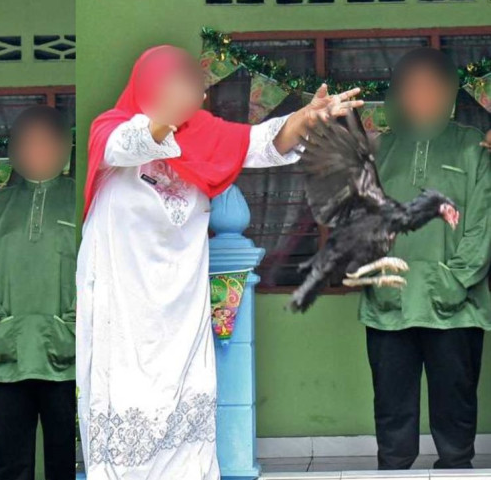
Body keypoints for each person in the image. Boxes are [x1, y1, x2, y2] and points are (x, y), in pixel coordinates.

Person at [77, 45, 362, 480]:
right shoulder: (111, 129)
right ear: (145, 86)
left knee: (189, 398)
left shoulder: (205, 134)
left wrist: (305, 118)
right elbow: (127, 146)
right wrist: (165, 118)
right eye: (169, 84)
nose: (182, 93)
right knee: (128, 401)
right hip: (123, 306)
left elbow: (261, 143)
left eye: (189, 86)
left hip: (181, 303)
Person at [359, 48, 491, 470]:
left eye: (431, 87)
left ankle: (456, 468)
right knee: (391, 403)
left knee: (455, 401)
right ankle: (393, 469)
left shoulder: (473, 146)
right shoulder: (381, 147)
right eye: (412, 88)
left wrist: (456, 280)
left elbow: (482, 222)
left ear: (449, 92)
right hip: (389, 301)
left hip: (457, 305)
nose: (421, 96)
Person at [0, 105, 76, 480]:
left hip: (70, 359)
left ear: (65, 147)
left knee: (68, 463)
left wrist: (73, 331)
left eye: (45, 143)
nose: (36, 151)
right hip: (4, 360)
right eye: (27, 143)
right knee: (9, 464)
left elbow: (100, 272)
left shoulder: (81, 201)